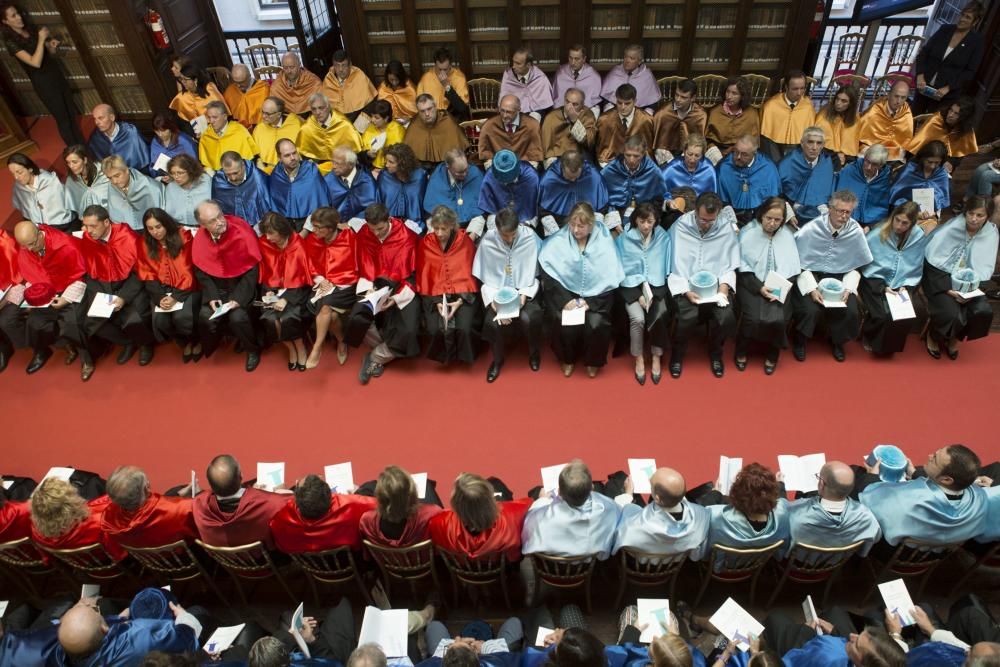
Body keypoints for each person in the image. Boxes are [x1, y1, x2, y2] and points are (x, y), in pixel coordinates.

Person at [539, 202, 624, 378]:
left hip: (597, 297)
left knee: (596, 323)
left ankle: (593, 361)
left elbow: (610, 277)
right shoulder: (559, 240)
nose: (576, 230)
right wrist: (566, 300)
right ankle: (567, 358)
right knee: (562, 321)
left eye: (581, 226)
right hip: (567, 295)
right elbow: (549, 274)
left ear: (591, 226)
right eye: (572, 224)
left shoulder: (604, 240)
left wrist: (589, 302)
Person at [792, 190, 874, 362]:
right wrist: (812, 289)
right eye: (840, 211)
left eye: (848, 212)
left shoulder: (856, 231)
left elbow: (857, 266)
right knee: (810, 309)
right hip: (811, 276)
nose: (843, 216)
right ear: (830, 209)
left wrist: (849, 288)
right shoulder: (812, 228)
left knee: (850, 310)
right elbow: (799, 263)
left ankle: (837, 342)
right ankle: (800, 340)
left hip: (840, 278)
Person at [346, 203, 420, 385]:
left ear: (389, 220)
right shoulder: (365, 233)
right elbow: (364, 265)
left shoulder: (407, 237)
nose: (376, 234)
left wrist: (395, 299)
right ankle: (384, 352)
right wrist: (369, 289)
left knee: (409, 329)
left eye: (380, 229)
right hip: (373, 287)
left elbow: (413, 275)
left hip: (402, 288)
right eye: (372, 229)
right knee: (358, 316)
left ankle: (375, 357)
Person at [667, 192, 739, 378]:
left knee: (725, 316)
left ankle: (716, 353)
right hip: (686, 284)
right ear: (694, 212)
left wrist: (723, 289)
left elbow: (730, 263)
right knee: (686, 315)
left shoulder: (725, 228)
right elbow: (674, 265)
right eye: (702, 219)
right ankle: (677, 354)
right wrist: (685, 290)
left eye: (711, 220)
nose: (705, 224)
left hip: (716, 286)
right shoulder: (681, 225)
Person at [860, 444, 989, 547]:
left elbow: (870, 499)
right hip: (937, 556)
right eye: (935, 453)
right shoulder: (980, 498)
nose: (929, 456)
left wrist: (871, 476)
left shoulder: (904, 499)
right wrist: (916, 474)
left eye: (935, 460)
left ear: (946, 480)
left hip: (893, 554)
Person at [77, 204, 155, 373]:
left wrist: (123, 297)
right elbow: (91, 272)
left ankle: (145, 345)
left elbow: (140, 272)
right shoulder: (88, 240)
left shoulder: (128, 238)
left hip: (130, 287)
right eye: (86, 226)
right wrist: (103, 296)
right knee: (91, 321)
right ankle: (127, 343)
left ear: (106, 222)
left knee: (133, 318)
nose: (88, 231)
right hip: (104, 287)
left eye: (93, 226)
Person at [922, 194, 998, 359]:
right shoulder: (952, 228)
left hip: (971, 285)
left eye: (980, 215)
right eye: (971, 213)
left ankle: (955, 339)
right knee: (951, 312)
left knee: (982, 311)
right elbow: (932, 263)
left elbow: (985, 268)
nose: (974, 219)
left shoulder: (991, 234)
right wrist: (950, 290)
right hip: (941, 281)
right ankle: (933, 336)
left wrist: (970, 293)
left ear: (988, 217)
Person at [191, 200, 263, 372]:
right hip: (217, 290)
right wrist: (212, 296)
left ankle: (252, 350)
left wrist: (237, 299)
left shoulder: (242, 231)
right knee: (205, 317)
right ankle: (215, 343)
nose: (220, 222)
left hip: (240, 289)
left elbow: (251, 271)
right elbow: (201, 271)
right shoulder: (200, 238)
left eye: (220, 216)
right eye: (212, 221)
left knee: (238, 318)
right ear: (202, 225)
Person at [472, 206, 542, 383]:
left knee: (529, 318)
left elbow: (534, 274)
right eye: (505, 235)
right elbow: (485, 280)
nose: (509, 239)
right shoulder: (488, 240)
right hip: (497, 292)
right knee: (492, 323)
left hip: (523, 290)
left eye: (513, 234)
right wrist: (495, 305)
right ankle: (497, 361)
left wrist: (524, 295)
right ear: (497, 229)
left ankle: (534, 353)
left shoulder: (529, 237)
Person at [1, 3, 83, 146]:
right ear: (5, 22)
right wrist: (40, 40)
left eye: (18, 13)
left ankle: (83, 147)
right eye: (13, 16)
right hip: (44, 83)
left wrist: (50, 46)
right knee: (63, 119)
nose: (19, 17)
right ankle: (75, 151)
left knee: (71, 113)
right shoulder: (11, 42)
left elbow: (46, 55)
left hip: (56, 75)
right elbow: (35, 63)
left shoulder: (30, 29)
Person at [735, 197, 801, 374]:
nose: (772, 223)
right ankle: (741, 350)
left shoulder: (787, 235)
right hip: (751, 283)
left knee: (781, 318)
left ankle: (773, 354)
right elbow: (742, 268)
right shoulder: (748, 232)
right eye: (768, 218)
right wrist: (759, 287)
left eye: (777, 220)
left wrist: (782, 286)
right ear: (761, 215)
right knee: (752, 318)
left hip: (780, 285)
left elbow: (793, 268)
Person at [13, 220, 86, 374]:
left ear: (40, 234)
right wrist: (35, 294)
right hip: (47, 292)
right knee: (34, 323)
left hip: (70, 290)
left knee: (72, 323)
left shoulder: (65, 244)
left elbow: (79, 276)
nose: (29, 249)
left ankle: (87, 358)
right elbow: (30, 275)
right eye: (25, 246)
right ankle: (44, 351)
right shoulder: (26, 247)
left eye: (32, 244)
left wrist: (65, 299)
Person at [860, 201, 928, 356]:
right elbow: (866, 264)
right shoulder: (878, 233)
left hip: (903, 283)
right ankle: (870, 337)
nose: (899, 225)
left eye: (905, 223)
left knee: (903, 315)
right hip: (874, 281)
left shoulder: (917, 237)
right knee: (880, 315)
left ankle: (888, 348)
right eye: (897, 220)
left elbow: (915, 264)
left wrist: (907, 285)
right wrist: (883, 287)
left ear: (911, 225)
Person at [56, 594, 201, 665]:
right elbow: (187, 638)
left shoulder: (70, 655)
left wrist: (121, 618)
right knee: (197, 611)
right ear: (104, 628)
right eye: (96, 611)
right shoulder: (141, 637)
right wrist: (184, 617)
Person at [615, 201, 671, 384]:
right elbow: (620, 271)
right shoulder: (623, 239)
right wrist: (637, 295)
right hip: (631, 289)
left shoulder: (663, 238)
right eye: (642, 221)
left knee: (660, 314)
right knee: (637, 319)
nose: (646, 226)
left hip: (657, 287)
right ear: (635, 220)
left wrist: (652, 294)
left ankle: (656, 355)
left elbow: (666, 267)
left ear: (656, 220)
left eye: (650, 221)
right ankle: (638, 357)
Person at [416, 206, 480, 365]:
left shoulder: (464, 242)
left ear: (452, 226)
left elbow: (471, 274)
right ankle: (444, 357)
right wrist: (438, 302)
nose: (439, 233)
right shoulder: (426, 243)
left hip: (464, 295)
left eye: (443, 229)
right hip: (434, 296)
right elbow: (425, 276)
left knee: (464, 328)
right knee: (434, 329)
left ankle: (465, 356)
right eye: (435, 228)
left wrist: (459, 301)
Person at [522, 460, 621, 560]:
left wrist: (542, 499)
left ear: (559, 491)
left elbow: (528, 531)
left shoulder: (540, 520)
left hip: (551, 568)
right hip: (589, 568)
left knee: (535, 491)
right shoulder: (608, 509)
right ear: (592, 488)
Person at [137, 208, 202, 362]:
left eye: (158, 227)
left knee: (183, 318)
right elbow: (147, 274)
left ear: (167, 224)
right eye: (150, 228)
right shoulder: (144, 242)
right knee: (160, 321)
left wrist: (175, 297)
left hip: (187, 288)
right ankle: (183, 342)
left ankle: (196, 340)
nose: (155, 232)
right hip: (161, 290)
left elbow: (188, 269)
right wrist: (160, 298)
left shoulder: (183, 236)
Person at [428, 472, 532, 562]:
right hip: (506, 570)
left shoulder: (438, 523)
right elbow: (530, 502)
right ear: (491, 498)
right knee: (495, 482)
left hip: (463, 568)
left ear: (456, 504)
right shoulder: (515, 513)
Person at [193, 453, 289, 549]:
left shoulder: (197, 503)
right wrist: (276, 493)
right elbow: (292, 503)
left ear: (210, 484)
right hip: (260, 558)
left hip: (223, 560)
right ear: (241, 476)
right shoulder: (270, 503)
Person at [701, 463, 790, 565]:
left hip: (723, 566)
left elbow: (702, 514)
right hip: (757, 565)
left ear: (736, 495)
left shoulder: (717, 516)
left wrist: (715, 493)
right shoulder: (783, 513)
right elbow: (782, 501)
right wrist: (781, 485)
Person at [787, 461, 882, 557]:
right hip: (840, 563)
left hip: (801, 562)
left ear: (821, 484)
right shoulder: (866, 517)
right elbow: (873, 539)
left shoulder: (795, 514)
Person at [303, 207, 358, 369]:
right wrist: (320, 279)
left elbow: (360, 263)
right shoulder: (313, 240)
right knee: (331, 316)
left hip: (346, 286)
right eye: (314, 226)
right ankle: (342, 341)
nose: (314, 230)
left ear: (331, 228)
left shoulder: (349, 238)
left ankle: (317, 348)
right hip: (323, 286)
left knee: (326, 306)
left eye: (319, 227)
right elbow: (308, 263)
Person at [613, 467, 709, 559]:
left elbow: (617, 529)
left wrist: (628, 494)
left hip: (639, 563)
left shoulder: (635, 524)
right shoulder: (701, 517)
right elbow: (695, 555)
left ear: (657, 498)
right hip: (674, 564)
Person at [257, 212, 312, 371]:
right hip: (273, 292)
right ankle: (290, 348)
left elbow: (304, 279)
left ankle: (300, 347)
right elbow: (266, 273)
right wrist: (269, 292)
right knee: (270, 319)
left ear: (283, 231)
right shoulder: (264, 244)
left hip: (296, 294)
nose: (267, 238)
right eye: (266, 233)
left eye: (271, 233)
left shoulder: (298, 244)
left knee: (288, 318)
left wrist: (286, 298)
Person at [269, 473, 377, 553]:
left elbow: (280, 545)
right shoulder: (352, 506)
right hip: (353, 562)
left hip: (313, 567)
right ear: (331, 496)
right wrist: (353, 494)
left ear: (297, 502)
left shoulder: (282, 520)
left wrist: (279, 492)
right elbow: (379, 504)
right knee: (370, 486)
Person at [913, 1, 986, 114]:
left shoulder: (976, 42)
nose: (962, 19)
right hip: (923, 86)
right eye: (962, 14)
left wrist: (948, 87)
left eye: (967, 17)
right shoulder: (945, 29)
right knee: (912, 118)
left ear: (975, 22)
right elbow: (924, 53)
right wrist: (920, 75)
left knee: (932, 125)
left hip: (945, 95)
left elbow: (969, 72)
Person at [29, 477, 127, 560]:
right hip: (111, 563)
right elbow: (120, 553)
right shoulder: (98, 524)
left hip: (81, 564)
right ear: (69, 505)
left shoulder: (37, 533)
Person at [101, 465, 198, 548]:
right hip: (184, 558)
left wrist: (178, 496)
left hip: (149, 561)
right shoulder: (182, 509)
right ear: (146, 488)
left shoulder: (107, 520)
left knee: (174, 491)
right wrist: (198, 496)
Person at [359, 465, 443, 547]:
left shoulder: (367, 521)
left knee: (369, 485)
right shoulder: (431, 515)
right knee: (427, 484)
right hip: (418, 557)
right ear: (412, 494)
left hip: (387, 559)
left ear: (379, 498)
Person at [716, 135, 781, 226]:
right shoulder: (724, 167)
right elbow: (721, 201)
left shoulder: (767, 167)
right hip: (732, 218)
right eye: (736, 152)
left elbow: (773, 199)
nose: (738, 157)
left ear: (754, 154)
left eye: (744, 154)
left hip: (760, 216)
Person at [538, 151, 610, 233]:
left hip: (586, 224)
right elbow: (543, 211)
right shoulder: (550, 178)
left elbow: (601, 207)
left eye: (576, 177)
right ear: (562, 167)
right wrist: (557, 234)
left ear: (582, 167)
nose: (573, 180)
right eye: (569, 177)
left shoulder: (593, 176)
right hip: (559, 225)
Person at [600, 135, 665, 225]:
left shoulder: (653, 171)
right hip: (615, 215)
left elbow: (658, 201)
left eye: (636, 156)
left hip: (644, 215)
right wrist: (614, 223)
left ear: (643, 154)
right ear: (623, 152)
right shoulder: (610, 170)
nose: (631, 160)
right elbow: (602, 201)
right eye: (628, 155)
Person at [268, 138, 330, 231]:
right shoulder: (276, 175)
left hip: (312, 225)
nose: (293, 158)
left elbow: (319, 204)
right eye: (287, 155)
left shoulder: (311, 171)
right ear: (279, 158)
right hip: (285, 226)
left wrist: (305, 230)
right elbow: (276, 207)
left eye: (294, 153)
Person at [779, 126, 836, 226]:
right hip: (793, 210)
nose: (814, 147)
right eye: (810, 142)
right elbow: (778, 193)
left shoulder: (829, 162)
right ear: (802, 143)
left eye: (819, 143)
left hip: (822, 210)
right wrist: (788, 214)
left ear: (823, 145)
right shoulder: (787, 163)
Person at [423, 148, 486, 235]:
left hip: (469, 225)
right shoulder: (438, 177)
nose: (465, 174)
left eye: (466, 169)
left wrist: (471, 236)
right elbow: (431, 209)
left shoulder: (475, 174)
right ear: (448, 167)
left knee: (479, 220)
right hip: (443, 225)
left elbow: (481, 209)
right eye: (460, 172)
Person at [297, 93, 363, 175]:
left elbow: (355, 153)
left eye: (321, 108)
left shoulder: (344, 125)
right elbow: (305, 155)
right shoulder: (306, 128)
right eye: (314, 109)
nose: (318, 112)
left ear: (328, 106)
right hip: (317, 170)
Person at [8, 152, 75, 230]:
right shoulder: (18, 187)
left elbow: (68, 205)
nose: (16, 177)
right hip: (38, 228)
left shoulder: (51, 182)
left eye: (19, 172)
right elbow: (23, 210)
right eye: (13, 174)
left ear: (30, 169)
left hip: (62, 225)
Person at [907, 97, 979, 169]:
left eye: (956, 114)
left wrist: (951, 162)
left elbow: (959, 155)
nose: (950, 115)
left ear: (964, 117)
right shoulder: (936, 120)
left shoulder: (965, 130)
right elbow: (918, 146)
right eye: (951, 110)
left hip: (944, 165)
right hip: (923, 160)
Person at [760, 71, 815, 162]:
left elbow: (809, 135)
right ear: (786, 87)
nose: (799, 93)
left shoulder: (808, 106)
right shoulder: (771, 105)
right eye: (795, 89)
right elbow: (765, 135)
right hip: (773, 146)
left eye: (802, 88)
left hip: (797, 147)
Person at [595, 83, 654, 168]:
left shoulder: (646, 120)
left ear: (635, 101)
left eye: (627, 103)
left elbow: (649, 150)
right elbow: (599, 149)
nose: (623, 107)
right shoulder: (604, 120)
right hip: (610, 165)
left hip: (639, 166)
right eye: (619, 103)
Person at [833, 144, 891, 227]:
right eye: (867, 161)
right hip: (844, 218)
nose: (868, 167)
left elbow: (881, 208)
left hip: (871, 224)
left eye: (874, 164)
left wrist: (870, 227)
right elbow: (836, 196)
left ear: (881, 165)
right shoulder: (850, 170)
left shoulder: (884, 179)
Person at [403, 93, 469, 165]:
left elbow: (458, 154)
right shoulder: (414, 124)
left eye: (429, 109)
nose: (427, 114)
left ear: (435, 107)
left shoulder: (447, 121)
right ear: (418, 112)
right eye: (422, 111)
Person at [211, 151, 273, 226]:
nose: (233, 178)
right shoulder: (218, 181)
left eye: (235, 173)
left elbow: (266, 205)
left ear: (243, 165)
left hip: (260, 224)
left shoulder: (258, 177)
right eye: (228, 174)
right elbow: (218, 209)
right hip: (233, 227)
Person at [480, 94, 544, 167]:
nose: (504, 115)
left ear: (518, 110)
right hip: (498, 167)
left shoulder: (532, 125)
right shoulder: (489, 125)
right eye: (502, 110)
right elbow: (485, 154)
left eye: (509, 112)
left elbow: (535, 155)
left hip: (523, 167)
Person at [377, 143, 428, 233]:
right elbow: (378, 201)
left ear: (403, 163)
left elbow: (424, 202)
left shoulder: (420, 176)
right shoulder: (384, 176)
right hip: (389, 225)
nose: (387, 165)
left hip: (416, 225)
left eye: (391, 162)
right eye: (386, 161)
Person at [890, 140, 951, 215]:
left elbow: (941, 200)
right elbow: (897, 196)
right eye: (930, 162)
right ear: (923, 158)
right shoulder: (909, 170)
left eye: (937, 163)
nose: (932, 166)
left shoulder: (941, 174)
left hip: (930, 214)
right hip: (905, 211)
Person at [857, 80, 914, 161]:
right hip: (873, 151)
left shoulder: (906, 112)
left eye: (903, 98)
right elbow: (861, 136)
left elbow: (906, 140)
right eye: (896, 96)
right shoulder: (875, 110)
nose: (899, 101)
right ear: (889, 94)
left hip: (895, 154)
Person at [322, 146, 378, 227]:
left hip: (360, 228)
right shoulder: (328, 180)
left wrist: (351, 224)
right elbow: (323, 206)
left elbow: (371, 208)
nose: (333, 166)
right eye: (333, 162)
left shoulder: (366, 181)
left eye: (337, 163)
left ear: (350, 165)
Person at [653, 79, 707, 160]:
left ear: (693, 98)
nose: (678, 99)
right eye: (676, 95)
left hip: (691, 152)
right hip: (666, 152)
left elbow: (701, 142)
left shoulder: (700, 115)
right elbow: (657, 143)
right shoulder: (662, 114)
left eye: (683, 97)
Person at [541, 88, 598, 165]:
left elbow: (589, 142)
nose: (570, 107)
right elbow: (546, 148)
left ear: (582, 105)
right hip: (557, 158)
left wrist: (574, 121)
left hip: (580, 156)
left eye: (575, 104)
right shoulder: (551, 117)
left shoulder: (587, 114)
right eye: (567, 102)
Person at [198, 100, 259, 172]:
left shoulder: (239, 131)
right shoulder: (206, 135)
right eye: (209, 117)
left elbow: (251, 158)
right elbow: (205, 164)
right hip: (217, 177)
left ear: (225, 116)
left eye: (215, 117)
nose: (211, 121)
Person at [87, 103, 149, 172]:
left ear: (112, 117)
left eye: (101, 118)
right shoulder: (95, 138)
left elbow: (143, 161)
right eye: (95, 119)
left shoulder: (130, 132)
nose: (97, 122)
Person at [705, 77, 761, 153]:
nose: (729, 96)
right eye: (727, 92)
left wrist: (735, 149)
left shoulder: (751, 114)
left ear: (742, 96)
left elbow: (754, 140)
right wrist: (714, 150)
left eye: (734, 93)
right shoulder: (715, 112)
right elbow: (707, 139)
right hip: (718, 152)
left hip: (742, 151)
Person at [599, 44, 660, 111]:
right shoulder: (615, 71)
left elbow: (652, 102)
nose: (627, 61)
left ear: (639, 61)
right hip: (615, 112)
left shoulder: (647, 75)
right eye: (625, 57)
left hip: (638, 114)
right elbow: (606, 97)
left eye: (632, 58)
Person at [813, 84, 861, 167]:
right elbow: (819, 141)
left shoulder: (855, 118)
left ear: (851, 104)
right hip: (825, 153)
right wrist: (836, 154)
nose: (838, 103)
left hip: (845, 157)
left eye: (844, 101)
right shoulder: (825, 113)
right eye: (837, 99)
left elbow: (851, 145)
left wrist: (844, 155)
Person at [253, 96, 303, 174]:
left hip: (294, 169)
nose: (263, 116)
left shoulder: (295, 124)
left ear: (279, 114)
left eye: (268, 114)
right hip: (267, 170)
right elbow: (256, 155)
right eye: (262, 112)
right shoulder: (259, 129)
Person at [416, 47, 470, 119]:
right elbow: (420, 103)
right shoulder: (426, 77)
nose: (442, 73)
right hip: (430, 117)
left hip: (451, 118)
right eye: (439, 69)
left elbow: (462, 108)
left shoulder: (459, 77)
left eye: (445, 69)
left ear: (450, 65)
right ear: (435, 65)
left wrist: (447, 87)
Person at [322, 50, 377, 119]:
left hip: (358, 119)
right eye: (337, 66)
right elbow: (324, 108)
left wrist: (358, 125)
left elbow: (369, 105)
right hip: (336, 121)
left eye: (343, 65)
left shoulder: (359, 75)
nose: (341, 69)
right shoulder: (328, 80)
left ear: (350, 65)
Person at [0, 228, 26, 373]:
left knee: (5, 320)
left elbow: (17, 275)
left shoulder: (4, 241)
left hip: (15, 287)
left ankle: (37, 345)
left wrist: (3, 300)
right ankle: (3, 348)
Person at [499, 48, 555, 115]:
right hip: (515, 115)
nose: (513, 66)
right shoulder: (508, 77)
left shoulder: (540, 77)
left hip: (537, 113)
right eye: (513, 62)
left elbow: (546, 104)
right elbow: (504, 103)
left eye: (518, 63)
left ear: (528, 65)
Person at [163, 154, 211, 229]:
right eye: (173, 173)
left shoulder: (206, 182)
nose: (176, 177)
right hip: (179, 229)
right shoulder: (170, 188)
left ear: (191, 171)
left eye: (180, 173)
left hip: (204, 227)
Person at [269, 51, 323, 116]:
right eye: (285, 68)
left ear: (299, 65)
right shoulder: (277, 85)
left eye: (292, 67)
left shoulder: (313, 82)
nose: (289, 71)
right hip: (287, 119)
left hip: (310, 118)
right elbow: (274, 110)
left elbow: (321, 107)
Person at [148, 112, 198, 181]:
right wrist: (161, 177)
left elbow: (194, 165)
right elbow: (153, 166)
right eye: (157, 131)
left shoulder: (184, 141)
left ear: (170, 128)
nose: (160, 134)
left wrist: (176, 176)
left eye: (163, 131)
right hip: (164, 180)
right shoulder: (155, 142)